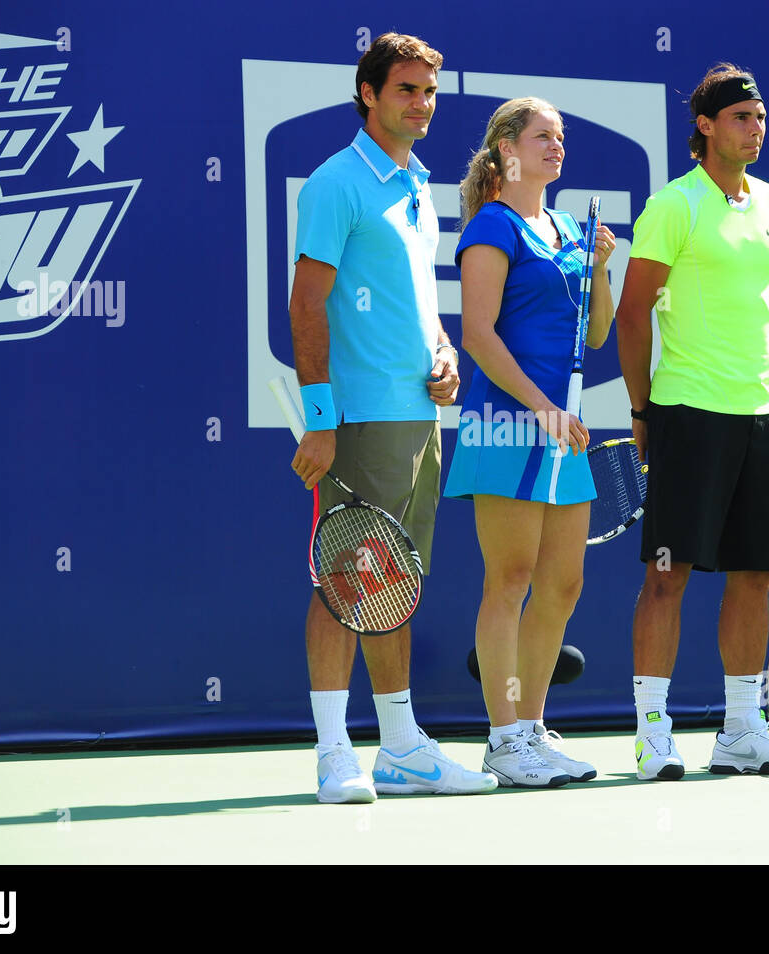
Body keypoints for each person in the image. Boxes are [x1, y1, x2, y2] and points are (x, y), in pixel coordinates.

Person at [288, 32, 497, 803]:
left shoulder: (415, 184)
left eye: (430, 92)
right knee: (344, 578)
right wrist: (320, 418)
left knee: (394, 582)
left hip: (418, 416)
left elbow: (421, 307)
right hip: (359, 419)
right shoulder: (336, 182)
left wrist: (443, 354)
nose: (423, 104)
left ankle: (403, 746)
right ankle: (334, 751)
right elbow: (306, 304)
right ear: (369, 95)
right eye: (407, 90)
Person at [614, 64, 769, 778]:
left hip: (760, 413)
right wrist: (643, 410)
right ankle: (651, 734)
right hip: (686, 411)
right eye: (741, 118)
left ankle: (739, 731)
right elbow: (632, 316)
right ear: (705, 126)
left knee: (755, 574)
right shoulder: (674, 205)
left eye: (760, 118)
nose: (755, 129)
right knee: (669, 574)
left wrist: (761, 387)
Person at [445, 98, 617, 787]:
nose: (557, 146)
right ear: (507, 150)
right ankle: (503, 736)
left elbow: (597, 335)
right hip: (509, 423)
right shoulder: (492, 226)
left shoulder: (571, 229)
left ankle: (534, 730)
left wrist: (600, 266)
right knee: (510, 580)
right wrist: (542, 407)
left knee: (562, 586)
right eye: (543, 135)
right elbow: (478, 335)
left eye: (562, 137)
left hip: (562, 429)